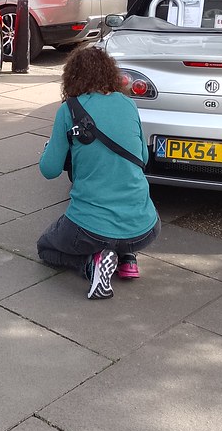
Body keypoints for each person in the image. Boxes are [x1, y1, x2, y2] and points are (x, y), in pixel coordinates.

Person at [36, 46, 160, 299]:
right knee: (119, 227)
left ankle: (92, 265)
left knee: (46, 248)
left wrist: (52, 148)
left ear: (72, 77)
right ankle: (127, 258)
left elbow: (49, 170)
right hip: (146, 227)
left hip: (89, 229)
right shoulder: (128, 104)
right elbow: (143, 158)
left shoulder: (69, 110)